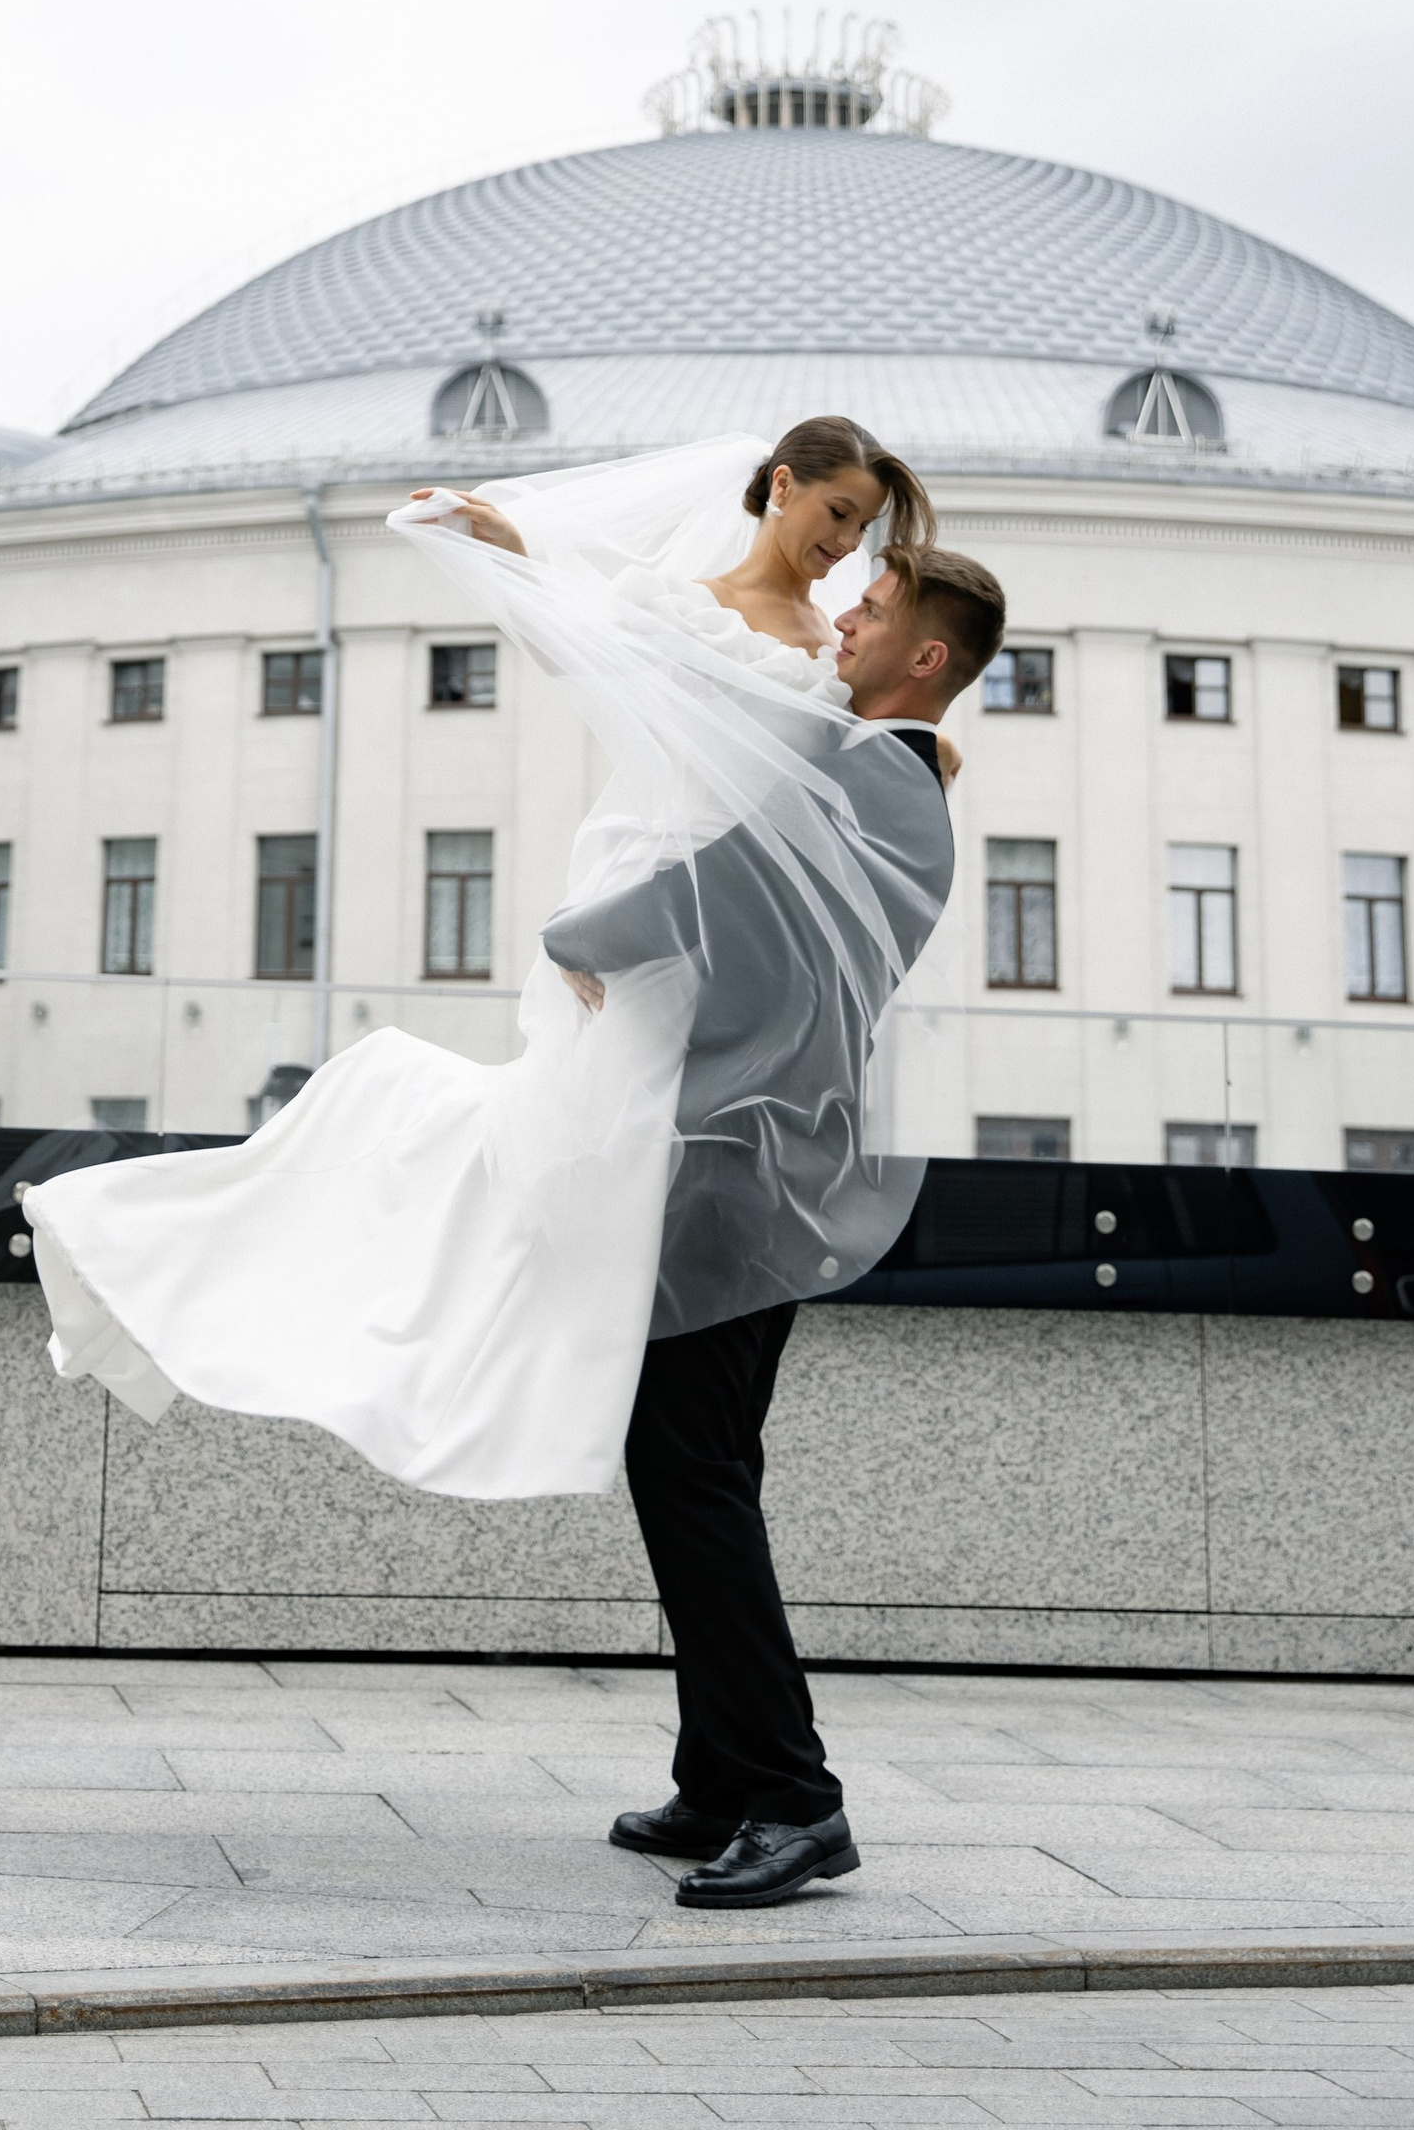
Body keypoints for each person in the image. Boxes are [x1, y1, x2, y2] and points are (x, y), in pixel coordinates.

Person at [20, 418, 978, 1534]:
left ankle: (633, 1403)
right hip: (654, 899)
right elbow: (583, 635)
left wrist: (931, 744)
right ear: (778, 489)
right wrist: (502, 541)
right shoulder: (690, 609)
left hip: (729, 920)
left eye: (861, 528)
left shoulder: (833, 649)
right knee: (567, 1154)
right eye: (835, 515)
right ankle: (290, 1280)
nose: (845, 546)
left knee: (616, 1166)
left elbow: (860, 759)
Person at [547, 533, 1007, 1911]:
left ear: (926, 655)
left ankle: (797, 1797)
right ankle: (722, 1778)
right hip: (766, 1157)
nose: (842, 624)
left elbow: (721, 888)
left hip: (744, 1165)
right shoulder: (900, 781)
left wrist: (578, 936)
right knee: (702, 1464)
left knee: (688, 1470)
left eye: (869, 611)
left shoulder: (869, 771)